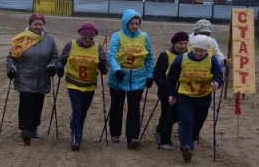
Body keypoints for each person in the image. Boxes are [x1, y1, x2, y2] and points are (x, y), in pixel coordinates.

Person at [167, 34, 224, 163]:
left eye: (202, 51)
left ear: (206, 50)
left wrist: (216, 82)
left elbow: (218, 75)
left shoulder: (212, 60)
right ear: (191, 48)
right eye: (196, 50)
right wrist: (171, 94)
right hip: (184, 96)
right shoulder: (182, 58)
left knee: (198, 123)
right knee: (187, 121)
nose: (198, 53)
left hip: (203, 97)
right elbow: (171, 78)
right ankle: (187, 147)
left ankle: (188, 138)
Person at [5, 13, 60, 145]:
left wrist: (52, 66)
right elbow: (11, 57)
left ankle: (34, 126)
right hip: (25, 77)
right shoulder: (22, 38)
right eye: (35, 24)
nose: (38, 27)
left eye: (41, 24)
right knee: (25, 103)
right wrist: (11, 68)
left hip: (42, 77)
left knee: (37, 104)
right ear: (30, 24)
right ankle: (26, 129)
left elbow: (55, 57)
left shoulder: (49, 39)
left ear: (44, 25)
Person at [107, 9, 155, 148]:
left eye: (137, 23)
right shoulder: (118, 36)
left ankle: (133, 137)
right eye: (132, 23)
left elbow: (149, 58)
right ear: (125, 23)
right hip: (119, 77)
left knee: (134, 107)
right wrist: (117, 70)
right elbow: (112, 55)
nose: (134, 26)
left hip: (138, 77)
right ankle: (115, 132)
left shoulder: (144, 36)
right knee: (117, 106)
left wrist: (150, 75)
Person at [58, 21, 108, 151]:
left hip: (90, 86)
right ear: (80, 35)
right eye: (84, 37)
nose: (87, 40)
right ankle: (76, 136)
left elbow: (105, 69)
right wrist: (59, 68)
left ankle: (78, 130)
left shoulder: (98, 48)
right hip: (73, 84)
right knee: (77, 110)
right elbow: (61, 60)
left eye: (90, 38)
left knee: (83, 111)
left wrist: (103, 66)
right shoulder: (71, 45)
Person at [152, 31, 189, 150]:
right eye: (180, 43)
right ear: (174, 44)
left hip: (184, 91)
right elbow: (157, 74)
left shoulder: (190, 55)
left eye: (185, 43)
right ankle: (165, 139)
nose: (183, 46)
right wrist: (165, 85)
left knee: (178, 115)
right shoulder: (165, 55)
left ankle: (159, 128)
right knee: (167, 114)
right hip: (167, 90)